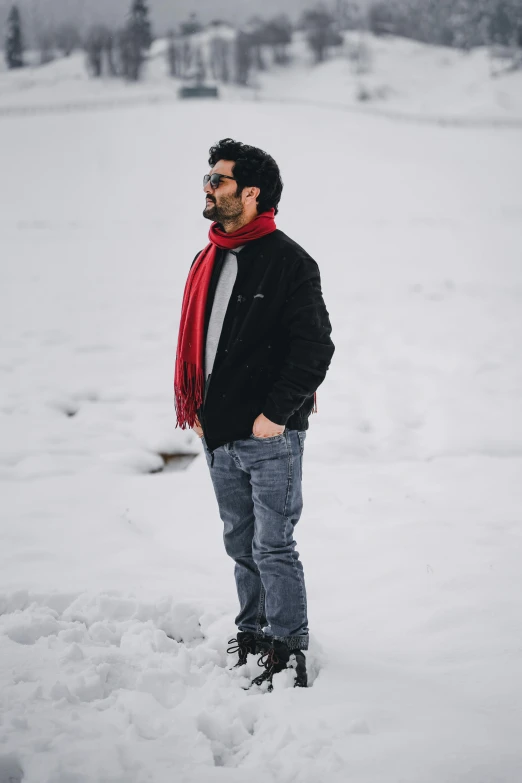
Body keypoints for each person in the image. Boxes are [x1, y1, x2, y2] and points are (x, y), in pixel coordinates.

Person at [174, 138, 335, 690]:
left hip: (271, 435)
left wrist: (275, 415)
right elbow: (205, 346)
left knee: (273, 544)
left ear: (251, 192)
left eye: (217, 180)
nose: (208, 188)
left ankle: (289, 647)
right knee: (240, 543)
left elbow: (315, 348)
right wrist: (197, 408)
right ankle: (254, 631)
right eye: (207, 178)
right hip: (217, 431)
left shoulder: (290, 262)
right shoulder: (209, 257)